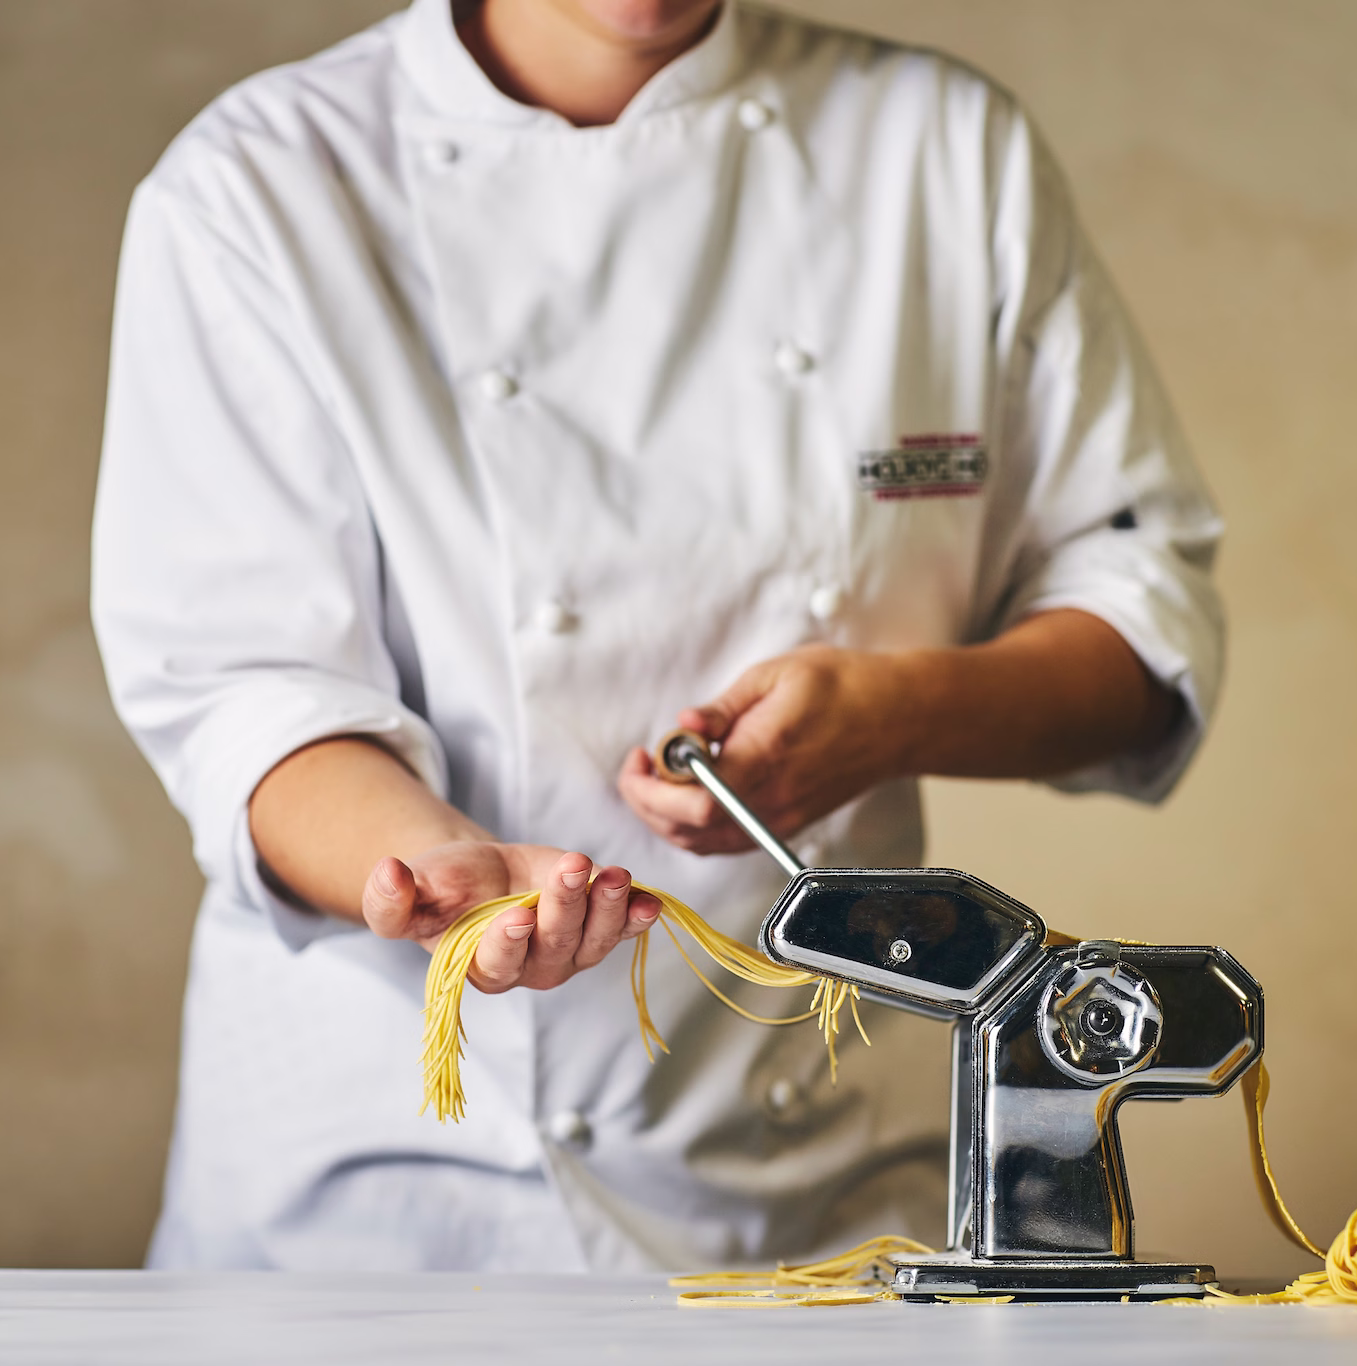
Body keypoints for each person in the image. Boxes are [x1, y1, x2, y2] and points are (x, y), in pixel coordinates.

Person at [91, 0, 1224, 1273]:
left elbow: (1142, 614)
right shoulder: (259, 184)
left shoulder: (939, 147)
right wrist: (437, 874)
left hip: (829, 1187)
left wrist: (899, 715)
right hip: (387, 1205)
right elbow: (244, 693)